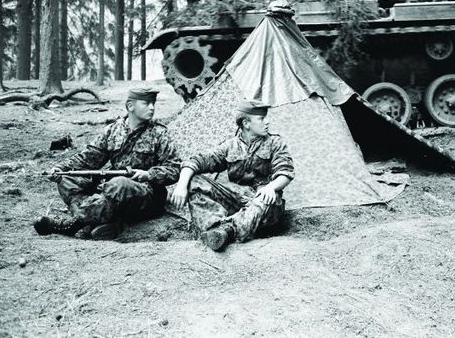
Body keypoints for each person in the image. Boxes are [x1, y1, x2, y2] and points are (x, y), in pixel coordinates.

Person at [33, 87, 181, 240]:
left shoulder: (159, 133)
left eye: (153, 104)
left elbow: (175, 169)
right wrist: (60, 169)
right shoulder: (113, 130)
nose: (152, 107)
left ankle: (73, 225)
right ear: (130, 106)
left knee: (120, 184)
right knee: (66, 179)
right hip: (111, 192)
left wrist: (149, 174)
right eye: (146, 103)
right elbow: (88, 158)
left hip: (146, 196)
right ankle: (102, 222)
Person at [170, 100, 294, 251]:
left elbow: (285, 172)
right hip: (237, 198)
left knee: (264, 199)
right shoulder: (230, 146)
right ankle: (213, 229)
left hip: (266, 205)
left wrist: (271, 187)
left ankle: (227, 231)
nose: (267, 122)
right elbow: (197, 161)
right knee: (195, 181)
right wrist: (181, 186)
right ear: (246, 123)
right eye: (261, 118)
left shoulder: (275, 142)